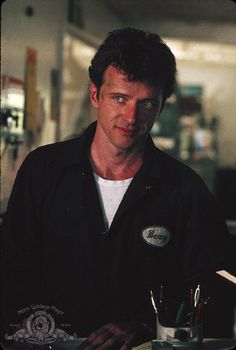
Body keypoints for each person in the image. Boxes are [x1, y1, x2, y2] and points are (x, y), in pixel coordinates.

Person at [1, 28, 235, 350]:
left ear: (161, 106)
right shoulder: (43, 171)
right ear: (95, 94)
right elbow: (11, 269)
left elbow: (211, 291)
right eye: (120, 98)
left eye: (147, 103)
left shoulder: (185, 189)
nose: (131, 116)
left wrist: (145, 327)